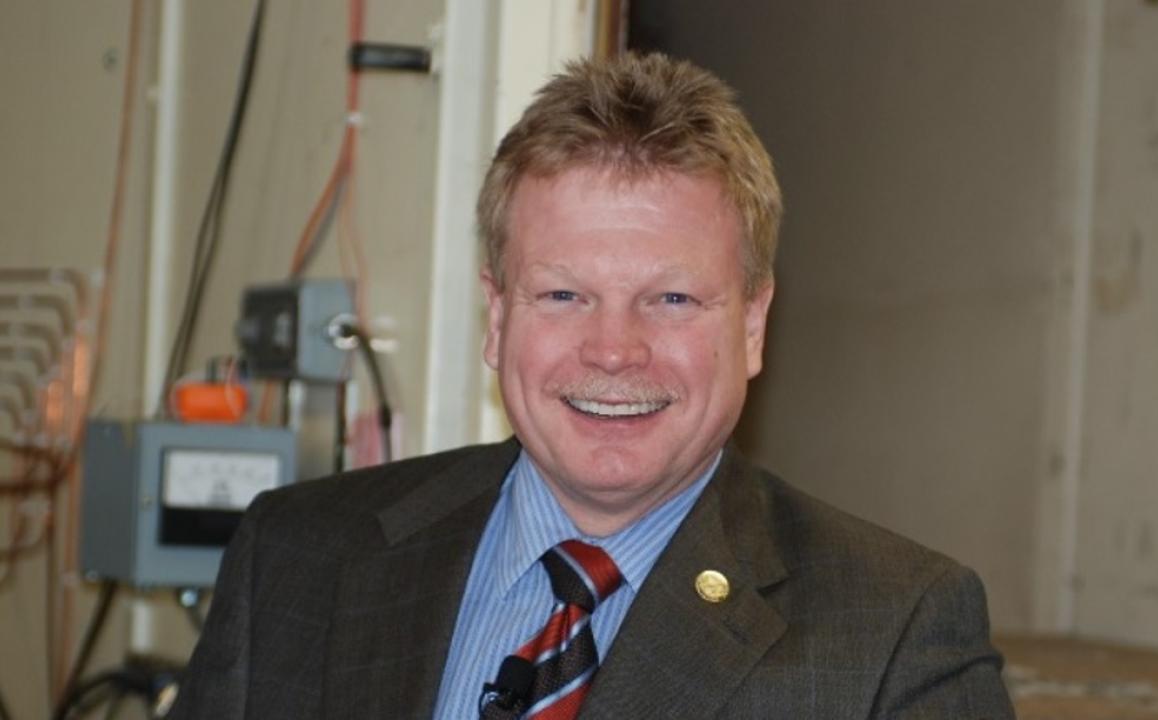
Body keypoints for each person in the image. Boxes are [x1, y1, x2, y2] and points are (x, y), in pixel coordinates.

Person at [172, 53, 1014, 719]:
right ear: (497, 316)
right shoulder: (296, 559)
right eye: (564, 295)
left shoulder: (895, 635)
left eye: (672, 299)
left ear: (753, 325)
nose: (614, 351)